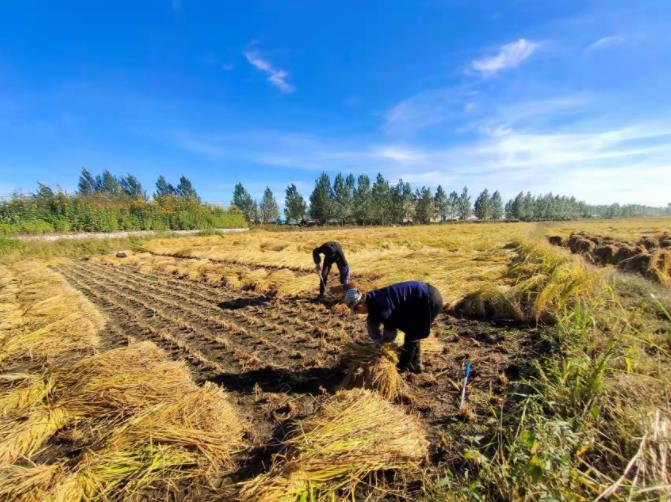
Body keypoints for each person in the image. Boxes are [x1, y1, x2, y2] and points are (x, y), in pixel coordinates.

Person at [344, 281, 443, 373]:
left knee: (412, 335)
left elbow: (390, 335)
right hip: (421, 297)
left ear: (359, 306)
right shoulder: (371, 298)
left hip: (429, 299)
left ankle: (402, 368)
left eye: (356, 311)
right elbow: (372, 321)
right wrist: (377, 340)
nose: (358, 313)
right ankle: (415, 363)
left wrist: (383, 344)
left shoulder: (382, 309)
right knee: (411, 330)